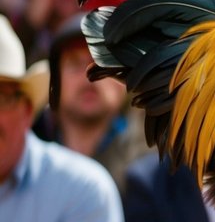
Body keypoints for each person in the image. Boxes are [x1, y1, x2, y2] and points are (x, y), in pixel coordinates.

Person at [0, 17, 122, 222]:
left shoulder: (87, 187)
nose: (88, 75)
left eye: (2, 96)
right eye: (73, 63)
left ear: (28, 111)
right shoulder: (87, 186)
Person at [35, 15, 151, 193]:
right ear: (54, 81)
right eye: (74, 63)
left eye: (102, 62)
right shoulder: (24, 160)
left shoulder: (151, 165)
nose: (89, 75)